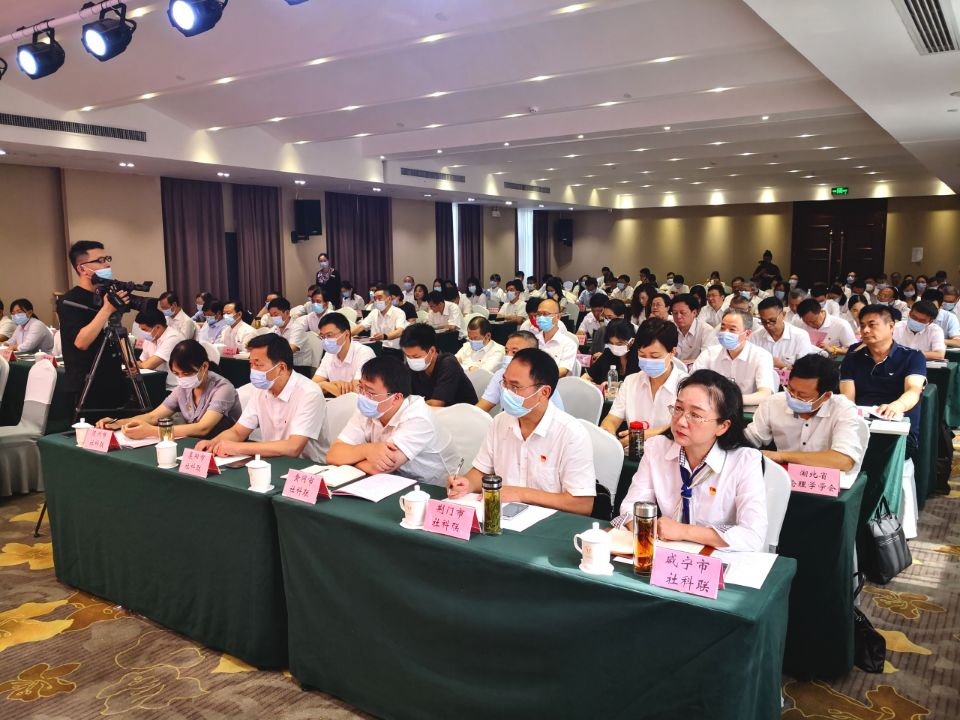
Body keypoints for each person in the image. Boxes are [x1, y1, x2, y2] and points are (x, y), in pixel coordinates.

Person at [614, 370, 768, 552]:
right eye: (678, 409)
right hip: (667, 551)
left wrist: (683, 531)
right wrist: (650, 528)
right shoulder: (657, 448)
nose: (681, 421)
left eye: (695, 415)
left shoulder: (745, 461)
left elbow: (752, 535)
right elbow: (630, 506)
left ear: (722, 426)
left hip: (717, 559)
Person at [447, 348, 596, 515]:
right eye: (504, 383)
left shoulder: (571, 434)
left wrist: (520, 494)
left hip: (550, 523)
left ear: (544, 392)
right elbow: (481, 471)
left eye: (515, 386)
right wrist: (466, 483)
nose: (506, 391)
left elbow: (582, 505)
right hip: (503, 517)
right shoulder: (500, 421)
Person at [196, 333, 329, 462]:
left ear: (281, 368)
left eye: (258, 365)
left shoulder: (309, 393)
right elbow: (238, 432)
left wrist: (237, 448)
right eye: (251, 364)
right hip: (272, 462)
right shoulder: (261, 390)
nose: (253, 370)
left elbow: (293, 447)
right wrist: (213, 443)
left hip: (308, 467)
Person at [327, 356, 459, 484]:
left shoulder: (418, 417)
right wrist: (367, 450)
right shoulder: (366, 407)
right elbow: (333, 455)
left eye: (370, 392)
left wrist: (350, 459)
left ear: (396, 398)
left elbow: (379, 469)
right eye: (361, 387)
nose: (363, 396)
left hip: (432, 488)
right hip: (391, 482)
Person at [746, 354, 869, 485]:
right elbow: (750, 438)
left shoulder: (843, 409)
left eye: (802, 395)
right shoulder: (774, 403)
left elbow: (844, 461)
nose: (793, 398)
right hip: (784, 479)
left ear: (826, 396)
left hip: (824, 483)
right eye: (790, 389)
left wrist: (782, 456)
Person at [96, 339, 241, 440]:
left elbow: (203, 428)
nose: (181, 378)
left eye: (187, 373)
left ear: (204, 366)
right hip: (195, 443)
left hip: (224, 447)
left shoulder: (223, 388)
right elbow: (153, 417)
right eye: (176, 374)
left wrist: (152, 431)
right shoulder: (183, 388)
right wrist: (117, 423)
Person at [840, 304, 926, 458]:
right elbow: (848, 398)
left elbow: (913, 390)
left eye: (872, 325)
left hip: (898, 427)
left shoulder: (912, 356)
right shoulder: (852, 358)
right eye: (862, 326)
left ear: (891, 326)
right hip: (860, 425)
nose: (865, 330)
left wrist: (897, 406)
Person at [57, 241, 129, 413]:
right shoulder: (69, 301)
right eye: (100, 260)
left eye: (107, 259)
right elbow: (81, 342)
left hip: (113, 379)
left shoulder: (106, 295)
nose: (107, 264)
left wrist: (127, 360)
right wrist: (106, 310)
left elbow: (115, 330)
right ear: (82, 269)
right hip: (86, 385)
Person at [601, 318, 685, 445]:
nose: (648, 361)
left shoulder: (687, 386)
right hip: (634, 451)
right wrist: (608, 432)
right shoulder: (631, 382)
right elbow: (612, 419)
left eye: (655, 356)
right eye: (642, 355)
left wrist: (642, 435)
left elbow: (685, 427)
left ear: (672, 352)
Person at [692, 308, 775, 406]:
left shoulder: (761, 356)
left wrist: (731, 400)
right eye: (723, 328)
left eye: (732, 329)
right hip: (712, 407)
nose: (725, 333)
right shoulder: (709, 354)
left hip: (746, 409)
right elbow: (692, 385)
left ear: (747, 334)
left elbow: (765, 394)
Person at [476, 331, 565, 412]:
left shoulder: (542, 379)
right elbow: (484, 405)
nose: (508, 356)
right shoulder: (501, 374)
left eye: (514, 352)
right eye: (506, 351)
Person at [400, 323, 478, 407]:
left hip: (463, 412)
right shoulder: (411, 365)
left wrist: (410, 406)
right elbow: (402, 396)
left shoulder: (448, 363)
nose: (411, 360)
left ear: (432, 351)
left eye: (416, 356)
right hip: (433, 412)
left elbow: (436, 404)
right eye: (407, 356)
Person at [313, 312, 376, 396]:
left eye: (329, 335)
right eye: (322, 337)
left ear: (346, 334)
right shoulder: (329, 354)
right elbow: (313, 385)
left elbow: (357, 393)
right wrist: (329, 384)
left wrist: (324, 385)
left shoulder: (365, 353)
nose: (325, 341)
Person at [751, 297, 817, 369]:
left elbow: (806, 370)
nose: (768, 325)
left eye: (772, 320)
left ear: (783, 315)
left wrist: (783, 366)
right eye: (763, 321)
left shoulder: (800, 336)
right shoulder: (755, 337)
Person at [136, 308, 186, 390]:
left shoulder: (173, 338)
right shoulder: (151, 338)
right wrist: (132, 366)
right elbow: (142, 361)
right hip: (158, 383)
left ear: (158, 327)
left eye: (144, 329)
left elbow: (147, 365)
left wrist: (137, 365)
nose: (142, 333)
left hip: (175, 388)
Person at [266, 297, 320, 370]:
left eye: (276, 315)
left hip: (299, 367)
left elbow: (290, 350)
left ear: (287, 313)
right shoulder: (275, 328)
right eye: (271, 315)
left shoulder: (297, 328)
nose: (273, 318)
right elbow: (265, 344)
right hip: (282, 365)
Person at [585, 319, 639, 385]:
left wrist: (616, 385)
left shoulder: (640, 357)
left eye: (619, 344)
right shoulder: (608, 353)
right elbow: (587, 376)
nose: (614, 347)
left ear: (631, 341)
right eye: (611, 343)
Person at [533, 298, 577, 377]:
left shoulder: (568, 344)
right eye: (539, 314)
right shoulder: (533, 340)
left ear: (558, 317)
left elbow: (563, 371)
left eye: (545, 314)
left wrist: (539, 378)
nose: (541, 317)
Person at [670, 293, 716, 363]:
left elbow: (707, 359)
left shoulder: (706, 330)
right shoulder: (670, 327)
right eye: (675, 313)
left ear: (694, 313)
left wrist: (682, 364)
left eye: (683, 312)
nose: (678, 316)